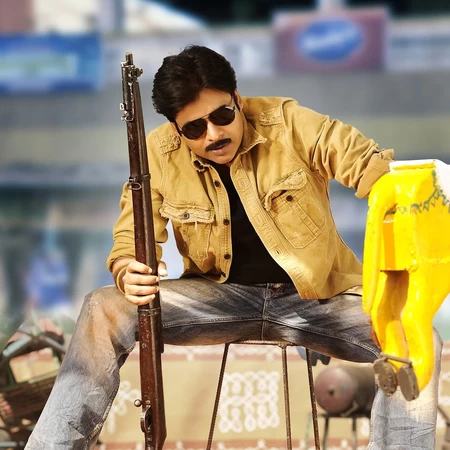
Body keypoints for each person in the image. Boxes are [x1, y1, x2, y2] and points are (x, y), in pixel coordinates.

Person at [25, 45, 442, 450]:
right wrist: (126, 269)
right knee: (103, 307)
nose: (213, 134)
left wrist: (408, 194)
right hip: (220, 298)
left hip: (316, 298)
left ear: (237, 99)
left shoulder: (289, 122)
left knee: (414, 333)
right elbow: (131, 234)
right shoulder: (158, 152)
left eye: (222, 115)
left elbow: (369, 166)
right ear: (176, 130)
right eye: (194, 129)